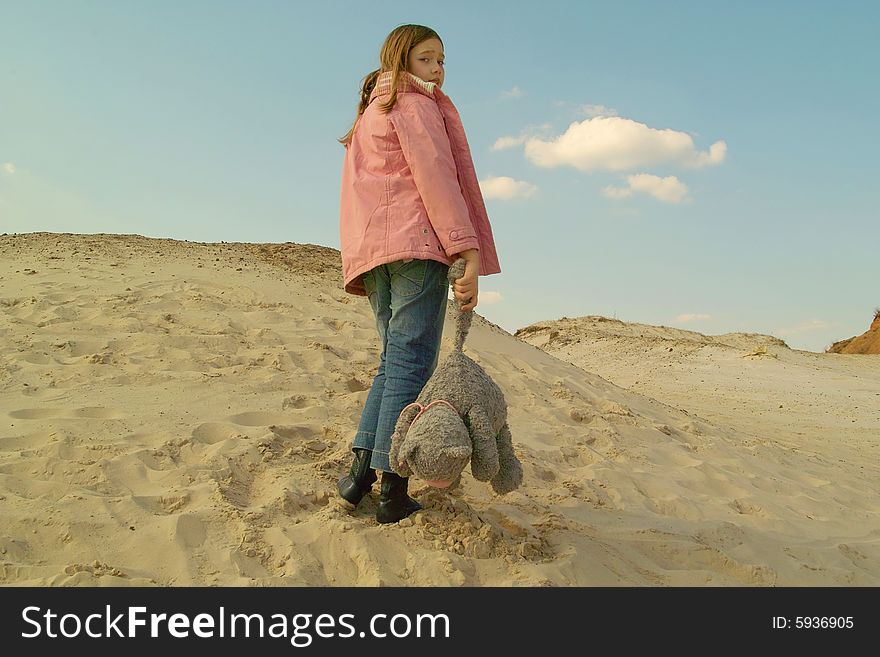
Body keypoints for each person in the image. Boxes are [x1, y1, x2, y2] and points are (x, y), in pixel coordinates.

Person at [336, 24, 501, 523]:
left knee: (392, 362)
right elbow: (436, 177)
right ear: (401, 58)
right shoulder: (414, 105)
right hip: (415, 245)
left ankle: (359, 474)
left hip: (377, 252)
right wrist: (465, 246)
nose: (437, 70)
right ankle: (393, 488)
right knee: (409, 365)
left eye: (442, 61)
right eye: (427, 59)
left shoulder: (371, 113)